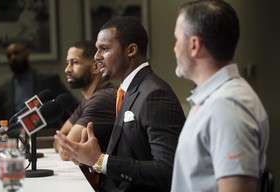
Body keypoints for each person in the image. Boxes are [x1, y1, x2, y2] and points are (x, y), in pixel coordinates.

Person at [55, 16, 186, 192]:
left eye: (104, 49)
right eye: (96, 50)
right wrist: (89, 160)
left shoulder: (155, 94)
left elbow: (167, 170)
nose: (96, 57)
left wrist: (100, 160)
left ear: (131, 50)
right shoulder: (127, 90)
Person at [171, 0, 269, 192]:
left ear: (194, 45)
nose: (174, 48)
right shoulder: (213, 100)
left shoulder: (227, 107)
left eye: (177, 39)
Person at [0, 42, 78, 131]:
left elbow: (70, 105)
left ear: (26, 53)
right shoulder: (3, 90)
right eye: (9, 56)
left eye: (17, 53)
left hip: (45, 137)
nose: (13, 58)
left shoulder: (49, 80)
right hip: (15, 139)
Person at [54, 40, 116, 158]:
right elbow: (60, 138)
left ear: (96, 67)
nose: (67, 69)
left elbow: (66, 151)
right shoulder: (88, 99)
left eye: (75, 62)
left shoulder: (102, 99)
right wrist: (63, 144)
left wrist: (64, 144)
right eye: (68, 63)